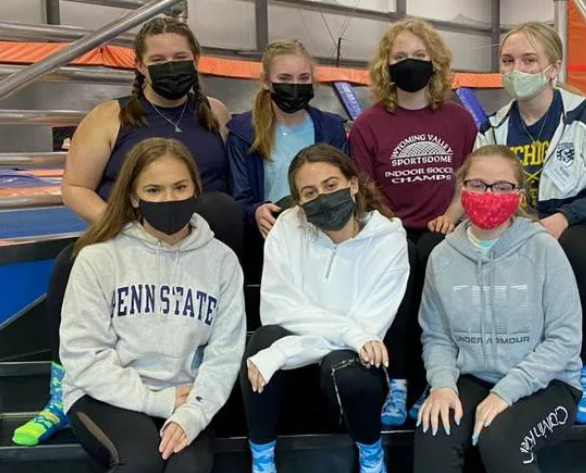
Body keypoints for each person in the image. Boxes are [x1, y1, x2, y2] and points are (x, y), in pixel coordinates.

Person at [12, 17, 242, 447]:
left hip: (195, 242)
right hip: (128, 233)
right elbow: (75, 187)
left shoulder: (214, 113)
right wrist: (123, 225)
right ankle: (61, 393)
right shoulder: (109, 116)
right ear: (139, 65)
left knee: (222, 208)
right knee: (71, 263)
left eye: (180, 57)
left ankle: (205, 378)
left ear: (196, 60)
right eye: (159, 59)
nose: (171, 66)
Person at [475, 22, 586, 424]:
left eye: (529, 60)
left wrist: (564, 218)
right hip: (514, 223)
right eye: (508, 61)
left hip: (576, 220)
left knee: (580, 248)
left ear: (552, 68)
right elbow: (480, 187)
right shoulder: (492, 127)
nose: (517, 70)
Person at [59, 137, 246, 473]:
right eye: (154, 190)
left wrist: (194, 412)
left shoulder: (222, 261)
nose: (169, 199)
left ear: (195, 189)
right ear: (134, 196)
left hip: (186, 395)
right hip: (104, 394)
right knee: (140, 463)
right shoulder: (98, 258)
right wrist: (157, 401)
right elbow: (83, 356)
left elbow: (225, 352)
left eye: (180, 187)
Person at [240, 144, 410, 473]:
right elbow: (278, 310)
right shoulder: (286, 228)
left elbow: (368, 328)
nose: (322, 198)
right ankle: (262, 460)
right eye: (309, 193)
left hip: (342, 375)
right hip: (293, 376)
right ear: (299, 202)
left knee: (349, 366)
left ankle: (372, 458)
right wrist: (346, 332)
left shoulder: (389, 239)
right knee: (263, 342)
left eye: (331, 185)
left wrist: (285, 351)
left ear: (353, 184)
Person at [414, 144, 582, 473]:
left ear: (519, 195)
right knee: (434, 429)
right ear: (461, 188)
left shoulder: (543, 249)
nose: (489, 194)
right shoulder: (442, 256)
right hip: (472, 376)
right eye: (477, 184)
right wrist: (442, 385)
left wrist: (506, 392)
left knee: (500, 439)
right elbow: (437, 337)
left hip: (547, 383)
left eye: (502, 186)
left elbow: (564, 339)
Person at [349, 17, 476, 425]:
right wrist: (390, 224)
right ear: (385, 65)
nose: (410, 62)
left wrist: (452, 215)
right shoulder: (368, 125)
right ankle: (398, 381)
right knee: (401, 263)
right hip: (391, 227)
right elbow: (365, 189)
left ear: (435, 61)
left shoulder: (459, 120)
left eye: (419, 55)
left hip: (444, 225)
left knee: (435, 259)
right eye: (400, 56)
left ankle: (432, 381)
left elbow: (468, 179)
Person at [227, 39, 347, 281]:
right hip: (270, 236)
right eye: (284, 78)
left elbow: (344, 183)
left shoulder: (331, 128)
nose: (295, 86)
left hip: (322, 231)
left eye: (303, 78)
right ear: (266, 81)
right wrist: (255, 211)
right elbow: (238, 196)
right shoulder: (242, 132)